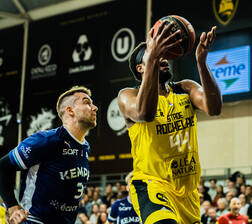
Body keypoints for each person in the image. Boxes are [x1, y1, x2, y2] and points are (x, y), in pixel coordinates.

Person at [118, 22, 222, 224]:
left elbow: (215, 108)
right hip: (152, 185)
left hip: (188, 193)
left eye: (164, 54)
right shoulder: (128, 95)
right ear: (141, 67)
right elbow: (144, 113)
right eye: (156, 54)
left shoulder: (185, 88)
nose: (163, 58)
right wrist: (153, 57)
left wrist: (201, 62)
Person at [0, 86, 98, 224]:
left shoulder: (85, 147)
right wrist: (12, 206)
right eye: (87, 102)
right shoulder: (46, 140)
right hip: (35, 220)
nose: (95, 108)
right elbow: (3, 166)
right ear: (70, 110)